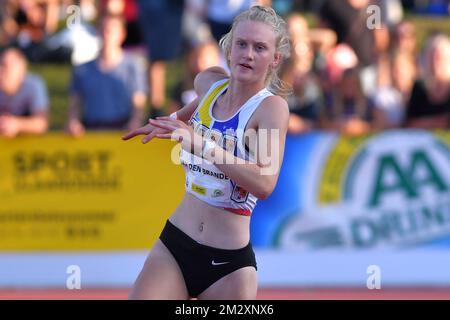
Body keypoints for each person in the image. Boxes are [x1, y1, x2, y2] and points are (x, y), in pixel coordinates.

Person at [123, 5, 290, 300]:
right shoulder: (209, 85)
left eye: (259, 48)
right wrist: (173, 120)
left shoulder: (270, 109)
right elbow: (197, 111)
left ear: (275, 59)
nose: (248, 54)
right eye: (241, 44)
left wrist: (201, 144)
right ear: (228, 49)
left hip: (228, 267)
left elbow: (265, 183)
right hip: (174, 246)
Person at [66, 14, 147, 136]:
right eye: (103, 29)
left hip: (122, 131)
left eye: (111, 31)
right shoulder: (82, 69)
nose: (106, 34)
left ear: (122, 34)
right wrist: (73, 121)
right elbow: (75, 103)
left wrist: (135, 121)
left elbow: (139, 102)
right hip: (90, 131)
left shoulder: (133, 66)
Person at [0, 47, 49, 137]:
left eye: (5, 66)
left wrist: (17, 125)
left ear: (21, 70)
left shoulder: (33, 85)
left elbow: (41, 124)